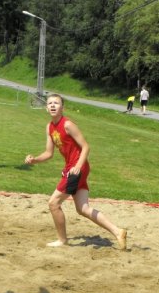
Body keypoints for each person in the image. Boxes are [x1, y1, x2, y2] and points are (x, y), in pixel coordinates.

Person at [24, 93, 127, 250]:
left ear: (62, 107)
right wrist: (35, 159)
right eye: (50, 103)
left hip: (77, 168)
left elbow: (86, 146)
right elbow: (48, 153)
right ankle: (118, 231)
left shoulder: (68, 125)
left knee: (53, 203)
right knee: (83, 208)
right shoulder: (49, 127)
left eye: (56, 103)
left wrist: (78, 166)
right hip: (71, 168)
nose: (52, 105)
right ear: (46, 108)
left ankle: (62, 240)